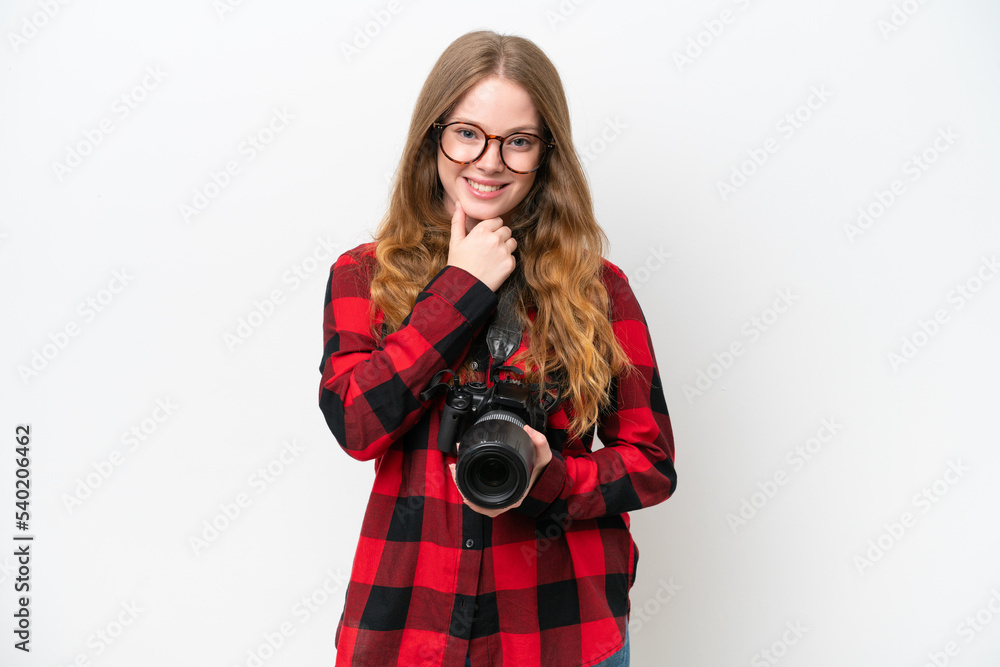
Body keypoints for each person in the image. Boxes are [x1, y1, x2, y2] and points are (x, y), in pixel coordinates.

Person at [318, 30, 676, 667]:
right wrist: (461, 288)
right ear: (433, 137)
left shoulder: (598, 289)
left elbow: (651, 463)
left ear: (546, 154)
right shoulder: (365, 276)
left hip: (561, 631)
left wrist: (551, 479)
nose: (489, 162)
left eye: (518, 141)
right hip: (411, 626)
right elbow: (356, 424)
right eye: (467, 133)